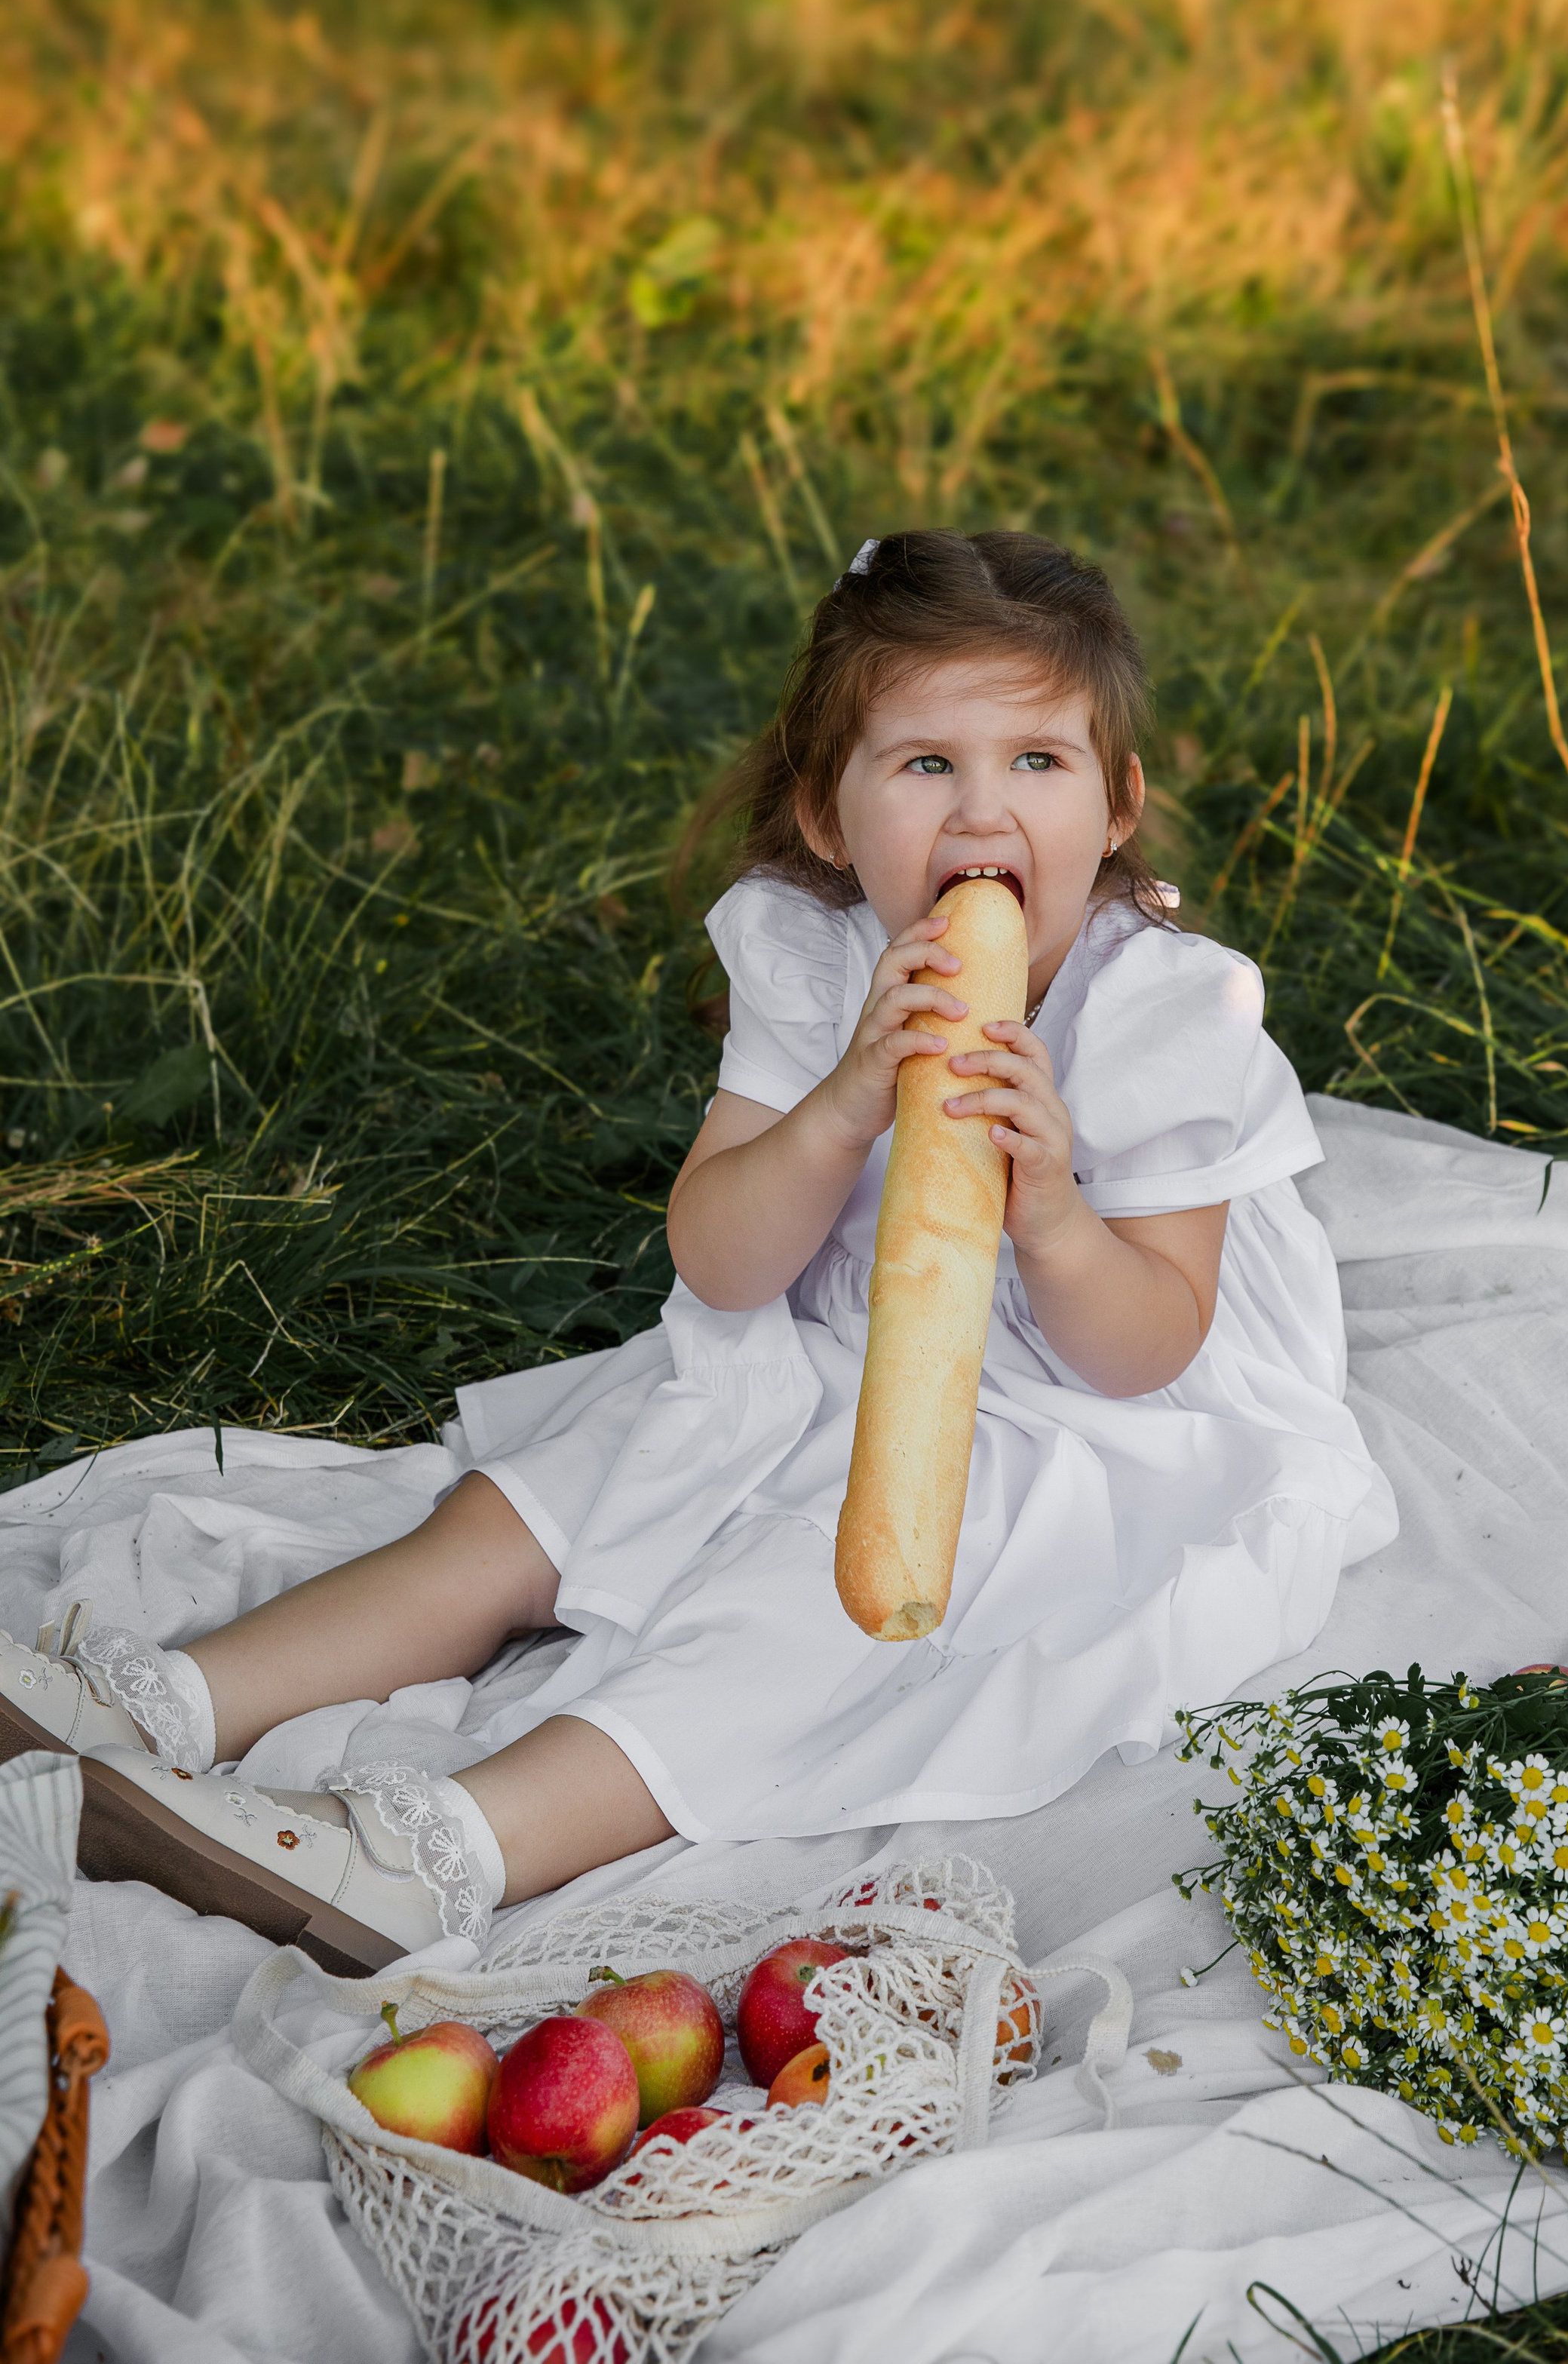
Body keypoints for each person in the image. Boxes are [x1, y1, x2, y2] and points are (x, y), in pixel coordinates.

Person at [0, 530, 1395, 1969]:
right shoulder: (813, 953)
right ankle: (156, 1706)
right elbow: (725, 1264)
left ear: (1118, 807)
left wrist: (1048, 1207)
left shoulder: (1170, 1013)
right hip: (827, 1339)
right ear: (828, 815)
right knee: (535, 1504)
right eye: (926, 765)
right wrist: (847, 1101)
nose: (986, 810)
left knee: (813, 1600)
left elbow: (1149, 1344)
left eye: (1039, 762)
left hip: (1078, 1413)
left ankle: (441, 1850)